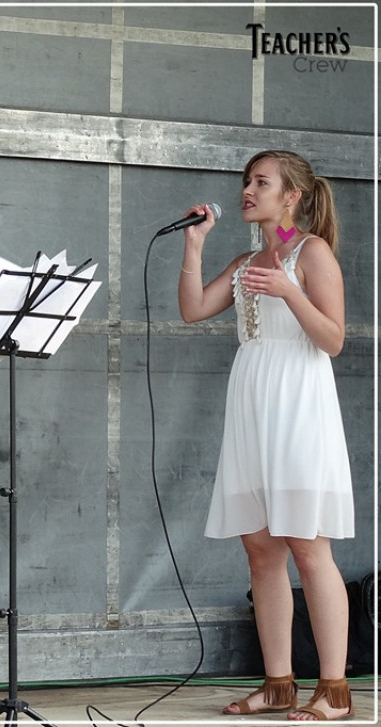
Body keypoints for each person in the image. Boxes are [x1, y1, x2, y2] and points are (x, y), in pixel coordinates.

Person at [177, 150, 355, 722]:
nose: (248, 191)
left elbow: (332, 340)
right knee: (259, 550)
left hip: (299, 408)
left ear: (292, 196)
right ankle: (278, 684)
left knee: (308, 546)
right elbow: (194, 309)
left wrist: (290, 290)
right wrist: (196, 244)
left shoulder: (311, 252)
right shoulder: (248, 257)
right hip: (252, 405)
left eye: (262, 182)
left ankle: (333, 690)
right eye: (246, 182)